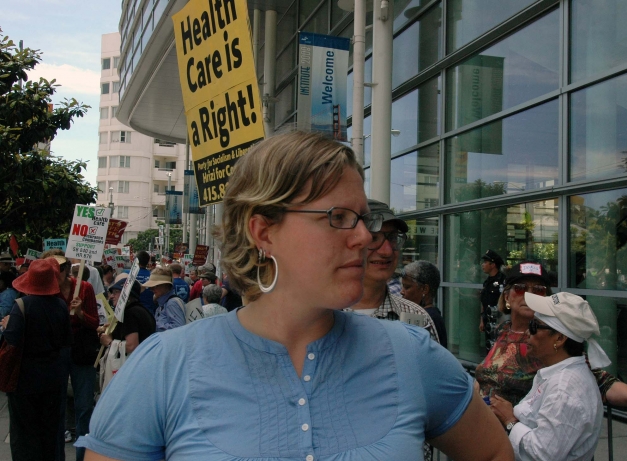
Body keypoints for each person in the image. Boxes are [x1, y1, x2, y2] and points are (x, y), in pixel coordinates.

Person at [79, 131, 512, 460]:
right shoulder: (164, 367)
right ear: (264, 231)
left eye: (362, 218)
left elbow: (494, 452)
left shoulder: (410, 354)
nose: (366, 237)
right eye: (338, 217)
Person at [476, 260, 627, 409]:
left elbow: (603, 382)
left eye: (538, 290)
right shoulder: (504, 329)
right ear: (507, 296)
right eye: (520, 288)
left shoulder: (549, 339)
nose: (529, 294)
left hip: (516, 428)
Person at [491, 292, 608, 460]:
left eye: (534, 326)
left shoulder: (564, 389)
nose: (527, 332)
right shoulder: (556, 375)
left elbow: (543, 454)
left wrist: (509, 420)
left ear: (559, 338)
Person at [1, 258, 73, 460]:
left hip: (25, 378)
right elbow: (67, 340)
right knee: (50, 430)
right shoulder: (61, 306)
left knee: (24, 432)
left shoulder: (22, 305)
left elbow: (12, 340)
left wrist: (7, 326)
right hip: (53, 377)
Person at [346, 199, 439, 342]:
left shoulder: (417, 317)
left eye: (393, 238)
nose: (387, 251)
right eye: (373, 238)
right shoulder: (320, 317)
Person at [45, 252, 99, 461]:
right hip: (57, 352)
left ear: (66, 269)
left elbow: (94, 322)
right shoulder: (47, 291)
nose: (55, 274)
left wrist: (80, 314)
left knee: (84, 406)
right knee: (56, 407)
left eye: (59, 269)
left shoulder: (84, 288)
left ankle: (82, 456)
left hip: (81, 351)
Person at [98, 275, 156, 355]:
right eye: (112, 293)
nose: (111, 296)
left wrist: (109, 342)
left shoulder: (130, 314)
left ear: (127, 295)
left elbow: (131, 346)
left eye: (115, 292)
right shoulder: (141, 310)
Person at [401, 260, 447, 348]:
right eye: (402, 286)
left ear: (424, 289)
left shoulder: (424, 318)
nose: (402, 292)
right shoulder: (430, 315)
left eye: (407, 287)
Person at [142, 267, 186, 332]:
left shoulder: (171, 303)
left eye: (155, 286)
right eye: (151, 286)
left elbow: (178, 328)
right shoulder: (164, 303)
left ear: (166, 285)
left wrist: (153, 325)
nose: (151, 289)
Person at [479, 249, 506, 351]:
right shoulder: (487, 282)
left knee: (499, 349)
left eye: (485, 262)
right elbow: (484, 302)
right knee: (489, 348)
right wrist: (482, 320)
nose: (483, 265)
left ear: (493, 265)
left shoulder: (503, 281)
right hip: (488, 321)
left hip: (499, 321)